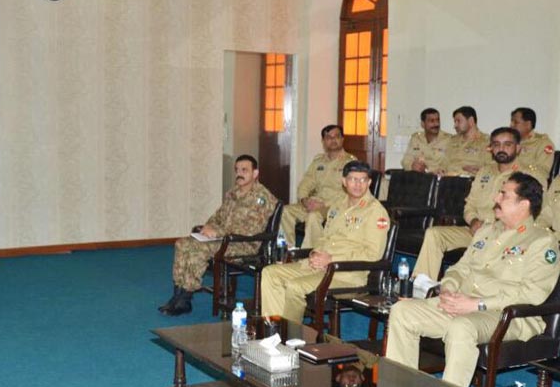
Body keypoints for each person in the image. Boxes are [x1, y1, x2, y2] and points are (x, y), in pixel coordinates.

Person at [387, 172, 560, 387]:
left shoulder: (542, 242)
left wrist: (476, 304)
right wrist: (448, 287)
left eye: (504, 194)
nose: (496, 198)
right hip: (464, 303)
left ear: (524, 204)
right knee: (403, 312)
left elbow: (532, 293)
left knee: (462, 327)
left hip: (509, 315)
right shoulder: (488, 231)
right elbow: (460, 267)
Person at [261, 160, 390, 324]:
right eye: (352, 179)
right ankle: (273, 326)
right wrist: (315, 254)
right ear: (344, 182)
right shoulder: (337, 206)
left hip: (346, 273)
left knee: (294, 286)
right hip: (320, 265)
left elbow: (373, 254)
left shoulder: (376, 212)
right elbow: (325, 237)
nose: (358, 184)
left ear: (369, 182)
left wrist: (332, 259)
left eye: (363, 180)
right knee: (271, 273)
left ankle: (288, 336)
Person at [412, 127, 540, 280]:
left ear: (518, 148)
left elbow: (531, 212)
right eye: (496, 144)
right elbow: (470, 204)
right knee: (434, 234)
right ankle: (422, 288)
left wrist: (495, 226)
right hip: (475, 230)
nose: (501, 149)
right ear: (490, 148)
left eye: (507, 144)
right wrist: (473, 221)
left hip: (505, 234)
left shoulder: (528, 176)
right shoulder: (484, 172)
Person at [158, 154, 277, 316]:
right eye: (237, 170)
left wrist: (218, 232)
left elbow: (250, 229)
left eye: (244, 170)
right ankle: (178, 293)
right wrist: (208, 227)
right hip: (224, 239)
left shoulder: (262, 198)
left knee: (198, 249)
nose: (239, 174)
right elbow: (218, 216)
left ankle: (185, 298)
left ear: (255, 174)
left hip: (243, 244)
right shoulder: (232, 193)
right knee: (183, 243)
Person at [280, 125, 356, 248]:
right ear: (323, 141)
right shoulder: (318, 161)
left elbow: (351, 192)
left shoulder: (351, 162)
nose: (333, 140)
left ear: (342, 139)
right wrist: (304, 200)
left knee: (313, 217)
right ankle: (289, 251)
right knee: (285, 211)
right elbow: (305, 184)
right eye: (328, 137)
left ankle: (310, 256)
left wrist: (323, 206)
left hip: (334, 206)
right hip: (313, 203)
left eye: (336, 136)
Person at [510, 107, 555, 185]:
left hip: (528, 186)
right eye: (511, 122)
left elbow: (542, 172)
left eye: (516, 122)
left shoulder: (543, 143)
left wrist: (515, 167)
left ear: (528, 124)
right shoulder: (509, 142)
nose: (511, 125)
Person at [441, 106, 489, 176]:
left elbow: (491, 168)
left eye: (458, 121)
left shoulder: (486, 142)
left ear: (471, 121)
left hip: (470, 181)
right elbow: (444, 163)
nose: (455, 125)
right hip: (447, 180)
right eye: (455, 122)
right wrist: (440, 169)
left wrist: (479, 170)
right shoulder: (452, 141)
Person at [401, 108, 451, 173]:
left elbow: (450, 164)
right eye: (432, 121)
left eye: (437, 120)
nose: (436, 124)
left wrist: (427, 169)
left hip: (438, 179)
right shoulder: (416, 138)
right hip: (417, 178)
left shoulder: (448, 139)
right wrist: (412, 166)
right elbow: (405, 160)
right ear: (423, 124)